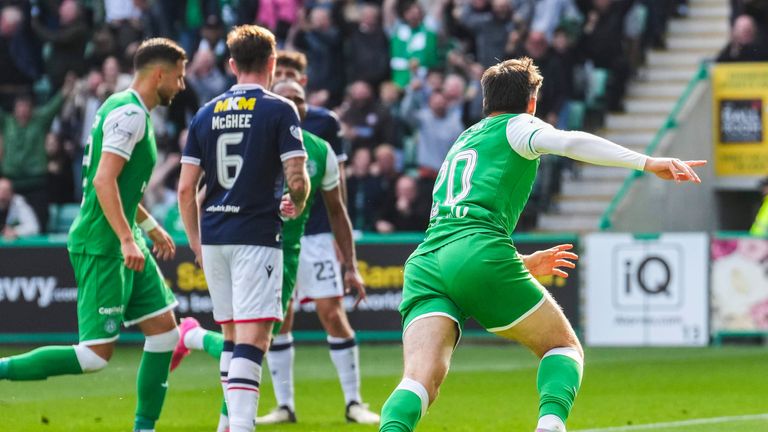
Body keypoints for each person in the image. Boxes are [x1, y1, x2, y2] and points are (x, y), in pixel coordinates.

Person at [377, 57, 706, 432]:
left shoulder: (465, 138)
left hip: (427, 262)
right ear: (531, 100)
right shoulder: (518, 125)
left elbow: (460, 218)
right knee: (562, 347)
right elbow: (570, 141)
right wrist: (648, 162)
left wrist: (520, 261)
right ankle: (550, 427)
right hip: (477, 251)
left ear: (486, 99)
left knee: (419, 380)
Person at [0, 38, 187, 432]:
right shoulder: (131, 115)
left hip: (125, 238)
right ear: (159, 74)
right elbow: (103, 181)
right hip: (104, 244)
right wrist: (124, 237)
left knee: (166, 335)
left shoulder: (117, 106)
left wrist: (148, 227)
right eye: (179, 77)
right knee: (94, 357)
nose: (182, 86)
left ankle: (144, 428)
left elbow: (119, 184)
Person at [173, 78, 378, 426]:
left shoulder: (319, 149)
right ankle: (280, 406)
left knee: (330, 314)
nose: (295, 105)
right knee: (259, 331)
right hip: (260, 241)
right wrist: (198, 238)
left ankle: (354, 402)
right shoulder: (257, 140)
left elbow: (337, 209)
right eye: (287, 98)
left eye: (299, 99)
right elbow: (201, 190)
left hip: (309, 241)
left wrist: (350, 264)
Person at [177, 25, 310, 432]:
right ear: (272, 63)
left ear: (232, 64)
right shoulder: (279, 109)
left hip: (215, 235)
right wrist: (296, 202)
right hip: (255, 235)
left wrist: (196, 244)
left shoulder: (205, 112)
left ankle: (228, 426)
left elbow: (185, 190)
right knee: (253, 340)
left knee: (233, 337)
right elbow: (298, 179)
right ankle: (242, 427)